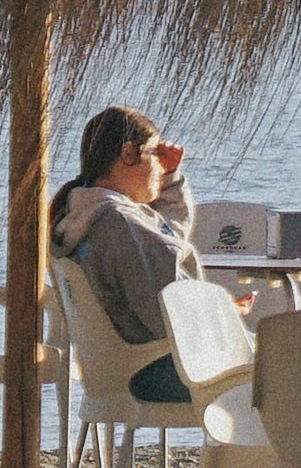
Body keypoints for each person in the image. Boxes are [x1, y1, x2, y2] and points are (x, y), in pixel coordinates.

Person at [51, 104, 203, 406]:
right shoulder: (117, 222)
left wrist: (170, 178)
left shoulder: (80, 213)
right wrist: (217, 315)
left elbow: (162, 238)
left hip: (113, 367)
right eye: (155, 155)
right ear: (129, 154)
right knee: (280, 370)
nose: (160, 168)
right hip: (152, 371)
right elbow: (166, 316)